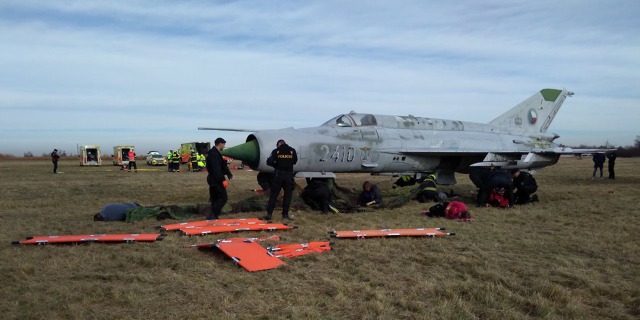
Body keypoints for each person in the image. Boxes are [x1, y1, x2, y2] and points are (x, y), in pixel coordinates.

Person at [265, 139, 298, 220]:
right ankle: (285, 215)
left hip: (278, 175)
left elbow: (269, 161)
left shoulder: (276, 151)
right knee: (287, 196)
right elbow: (295, 161)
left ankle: (269, 215)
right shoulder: (292, 151)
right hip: (289, 175)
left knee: (273, 195)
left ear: (278, 145)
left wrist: (276, 165)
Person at [206, 138, 233, 220]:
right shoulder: (214, 154)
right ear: (220, 144)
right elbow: (216, 169)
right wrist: (222, 180)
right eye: (223, 144)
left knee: (215, 198)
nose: (224, 146)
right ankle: (213, 214)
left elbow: (221, 165)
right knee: (223, 198)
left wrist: (228, 173)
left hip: (212, 178)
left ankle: (214, 216)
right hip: (216, 179)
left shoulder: (214, 153)